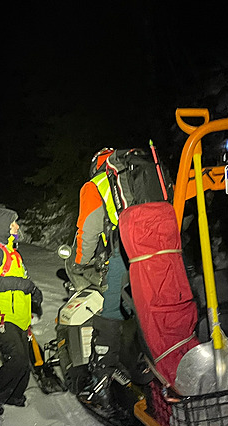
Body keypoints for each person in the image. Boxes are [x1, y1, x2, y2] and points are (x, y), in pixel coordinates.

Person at [71, 148, 129, 411]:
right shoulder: (141, 176)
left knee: (110, 315)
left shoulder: (96, 185)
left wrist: (81, 262)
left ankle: (101, 386)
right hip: (163, 251)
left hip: (125, 253)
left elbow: (89, 229)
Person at [0, 208, 42, 413]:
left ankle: (13, 395)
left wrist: (33, 292)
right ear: (1, 226)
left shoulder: (12, 252)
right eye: (13, 223)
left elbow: (20, 282)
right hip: (1, 316)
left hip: (18, 318)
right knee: (17, 358)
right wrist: (23, 285)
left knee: (23, 362)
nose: (17, 226)